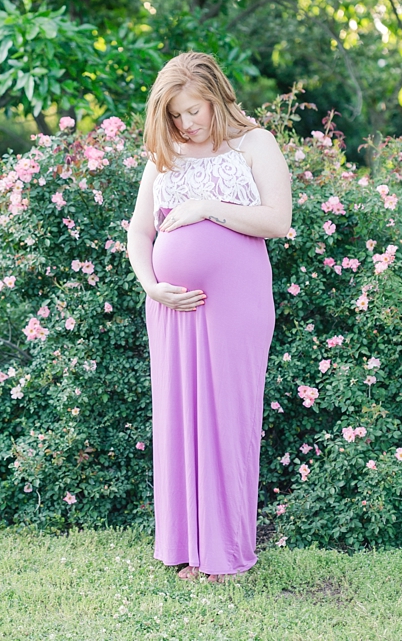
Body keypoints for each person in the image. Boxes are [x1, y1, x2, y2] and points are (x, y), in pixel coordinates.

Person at [127, 52, 292, 583]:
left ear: (217, 96)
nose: (186, 123)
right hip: (171, 305)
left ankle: (224, 556)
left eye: (193, 110)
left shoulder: (255, 144)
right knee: (177, 417)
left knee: (226, 418)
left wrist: (206, 207)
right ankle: (184, 548)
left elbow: (277, 220)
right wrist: (152, 287)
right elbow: (139, 232)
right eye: (176, 115)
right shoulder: (165, 154)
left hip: (237, 300)